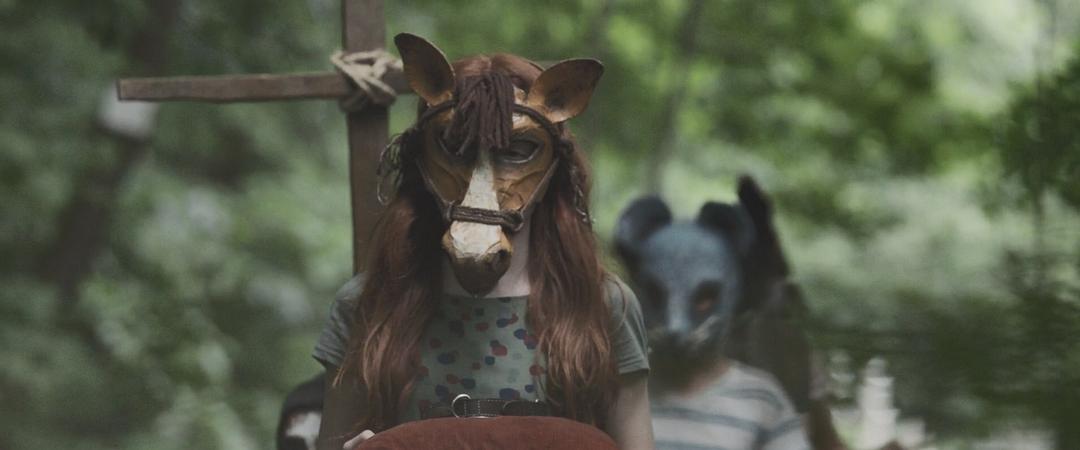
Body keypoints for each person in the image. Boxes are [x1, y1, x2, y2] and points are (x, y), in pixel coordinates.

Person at [312, 33, 654, 450]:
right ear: (423, 162)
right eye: (455, 148)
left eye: (518, 149)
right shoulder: (369, 304)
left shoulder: (602, 305)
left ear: (555, 169)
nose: (482, 184)